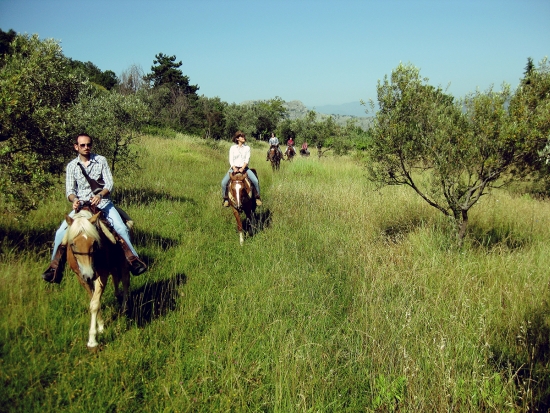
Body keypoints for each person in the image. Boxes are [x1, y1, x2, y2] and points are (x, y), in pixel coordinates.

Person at [41, 133, 147, 283]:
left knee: (121, 228)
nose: (86, 147)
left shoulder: (100, 160)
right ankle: (55, 268)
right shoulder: (71, 166)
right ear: (76, 147)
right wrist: (75, 200)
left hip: (103, 204)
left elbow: (109, 184)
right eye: (82, 145)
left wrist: (101, 195)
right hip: (82, 207)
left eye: (88, 144)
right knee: (60, 233)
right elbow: (70, 191)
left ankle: (133, 260)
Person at [222, 131, 262, 207]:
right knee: (223, 183)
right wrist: (234, 168)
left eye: (244, 136)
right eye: (241, 136)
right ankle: (226, 199)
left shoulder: (247, 148)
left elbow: (247, 159)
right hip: (234, 168)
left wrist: (242, 168)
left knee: (255, 181)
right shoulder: (232, 148)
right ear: (237, 138)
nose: (243, 138)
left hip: (245, 169)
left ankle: (257, 198)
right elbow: (231, 159)